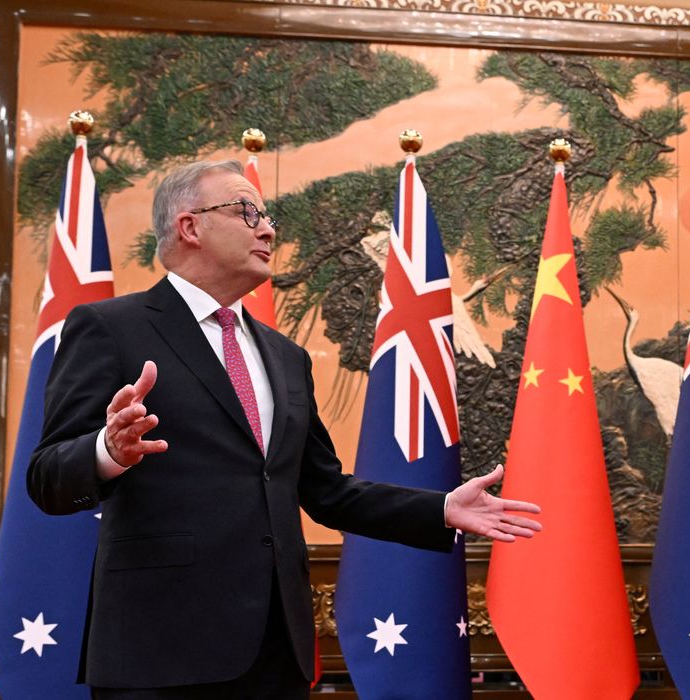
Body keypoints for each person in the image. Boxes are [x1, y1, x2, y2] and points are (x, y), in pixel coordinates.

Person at [27, 160, 542, 699]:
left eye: (267, 215)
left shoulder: (285, 355)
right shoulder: (109, 328)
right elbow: (47, 477)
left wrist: (439, 509)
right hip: (161, 649)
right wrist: (107, 451)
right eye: (246, 212)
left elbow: (325, 491)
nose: (268, 229)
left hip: (278, 652)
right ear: (189, 227)